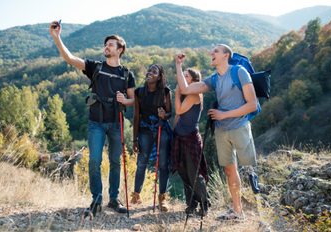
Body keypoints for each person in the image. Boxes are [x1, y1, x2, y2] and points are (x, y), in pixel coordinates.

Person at [49, 21, 135, 216]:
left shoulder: (127, 74)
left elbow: (132, 101)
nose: (106, 47)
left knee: (115, 161)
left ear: (120, 50)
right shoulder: (95, 67)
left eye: (111, 45)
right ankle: (96, 200)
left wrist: (125, 100)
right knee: (94, 161)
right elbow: (69, 58)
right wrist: (57, 37)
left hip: (116, 122)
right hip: (96, 121)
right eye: (106, 45)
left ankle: (114, 199)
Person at [175, 44, 258, 222]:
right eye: (211, 50)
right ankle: (238, 212)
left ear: (226, 55)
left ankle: (261, 214)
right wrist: (179, 66)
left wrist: (223, 114)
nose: (211, 53)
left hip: (240, 126)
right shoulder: (214, 79)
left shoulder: (239, 72)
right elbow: (186, 90)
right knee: (229, 171)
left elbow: (252, 104)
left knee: (250, 170)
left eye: (216, 51)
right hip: (222, 130)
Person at [130, 64, 172, 211]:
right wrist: (134, 139)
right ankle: (136, 196)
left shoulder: (165, 92)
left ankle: (162, 199)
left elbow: (169, 113)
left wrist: (164, 115)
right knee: (141, 164)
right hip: (145, 131)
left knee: (162, 166)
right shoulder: (139, 92)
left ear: (159, 77)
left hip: (162, 129)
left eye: (154, 72)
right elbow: (136, 116)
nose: (150, 73)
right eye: (149, 70)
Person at [172, 68, 210, 216]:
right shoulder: (186, 94)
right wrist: (173, 133)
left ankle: (204, 203)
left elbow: (179, 110)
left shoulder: (195, 94)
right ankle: (192, 202)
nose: (182, 78)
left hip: (191, 139)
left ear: (194, 82)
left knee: (194, 173)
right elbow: (177, 116)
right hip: (179, 138)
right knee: (183, 173)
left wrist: (176, 92)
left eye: (185, 76)